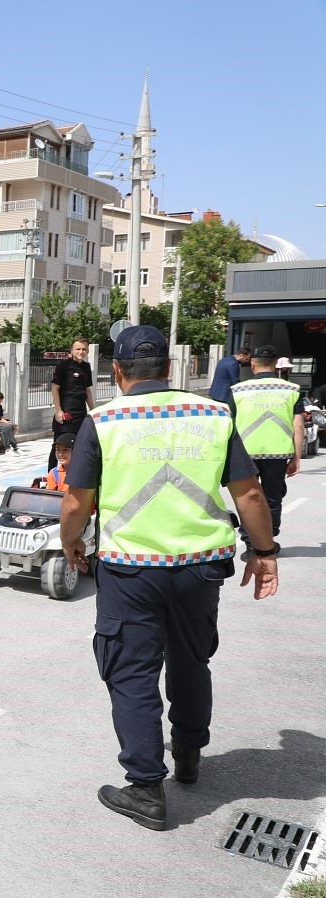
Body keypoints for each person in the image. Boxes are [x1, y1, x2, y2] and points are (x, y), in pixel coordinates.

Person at [58, 325, 278, 832]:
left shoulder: (104, 419)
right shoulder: (214, 414)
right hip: (200, 568)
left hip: (131, 570)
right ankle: (188, 756)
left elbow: (76, 501)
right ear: (170, 369)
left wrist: (72, 541)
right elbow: (248, 495)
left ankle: (145, 789)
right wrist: (264, 552)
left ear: (116, 372)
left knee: (132, 672)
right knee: (191, 660)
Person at [229, 345, 305, 550]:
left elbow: (229, 423)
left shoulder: (237, 391)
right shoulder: (292, 390)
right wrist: (296, 457)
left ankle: (249, 543)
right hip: (277, 453)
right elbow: (298, 425)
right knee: (272, 497)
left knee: (248, 496)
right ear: (275, 364)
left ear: (252, 364)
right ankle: (267, 542)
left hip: (245, 454)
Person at [47, 338, 95, 470]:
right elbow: (55, 387)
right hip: (66, 411)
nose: (81, 351)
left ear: (88, 350)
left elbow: (87, 390)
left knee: (78, 446)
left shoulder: (86, 367)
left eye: (84, 349)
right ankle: (51, 475)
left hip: (81, 412)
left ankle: (73, 474)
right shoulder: (63, 366)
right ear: (72, 350)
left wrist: (93, 410)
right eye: (78, 349)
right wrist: (58, 410)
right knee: (59, 445)